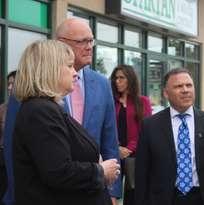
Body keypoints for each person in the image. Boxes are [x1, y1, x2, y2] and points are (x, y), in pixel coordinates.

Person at [2, 18, 121, 205]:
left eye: (91, 40)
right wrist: (99, 171)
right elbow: (16, 148)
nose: (89, 47)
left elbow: (109, 140)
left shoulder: (100, 83)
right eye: (82, 41)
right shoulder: (39, 107)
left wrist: (111, 189)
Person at [135, 68, 204, 205]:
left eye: (189, 85)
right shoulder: (150, 126)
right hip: (164, 199)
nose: (185, 90)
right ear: (166, 93)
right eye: (179, 86)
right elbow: (142, 173)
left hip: (202, 198)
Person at [109, 65, 152, 205]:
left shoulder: (143, 102)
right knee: (111, 194)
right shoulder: (111, 101)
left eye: (122, 78)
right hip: (114, 154)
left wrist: (129, 149)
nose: (117, 81)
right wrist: (117, 148)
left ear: (130, 80)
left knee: (133, 194)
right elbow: (107, 127)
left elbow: (146, 129)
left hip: (135, 155)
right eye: (116, 78)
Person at [0, 71, 16, 205]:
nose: (9, 87)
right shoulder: (2, 109)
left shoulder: (29, 108)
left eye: (13, 83)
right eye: (8, 84)